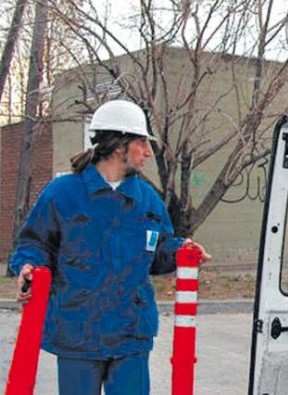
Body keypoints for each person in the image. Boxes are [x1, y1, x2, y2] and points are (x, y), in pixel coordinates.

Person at [10, 99, 211, 395]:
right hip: (79, 333)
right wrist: (27, 266)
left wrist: (183, 250)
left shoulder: (147, 199)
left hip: (130, 334)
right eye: (141, 143)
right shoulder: (63, 193)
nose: (146, 152)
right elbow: (34, 242)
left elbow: (158, 251)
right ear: (119, 145)